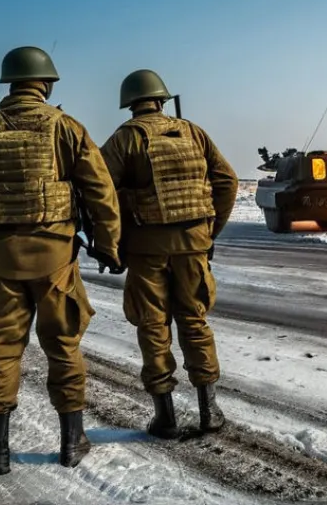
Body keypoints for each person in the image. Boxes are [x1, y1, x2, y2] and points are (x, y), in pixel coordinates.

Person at [0, 46, 122, 475]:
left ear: (9, 83)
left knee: (1, 348)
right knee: (64, 346)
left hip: (1, 258)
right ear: (48, 83)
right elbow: (100, 191)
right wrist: (110, 244)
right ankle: (72, 441)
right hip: (57, 256)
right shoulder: (66, 127)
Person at [99, 69, 238, 438]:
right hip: (194, 244)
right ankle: (209, 411)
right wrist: (208, 231)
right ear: (162, 99)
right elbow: (227, 181)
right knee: (194, 321)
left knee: (153, 326)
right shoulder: (193, 132)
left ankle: (165, 416)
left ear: (130, 103)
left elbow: (100, 194)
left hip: (146, 249)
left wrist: (111, 244)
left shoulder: (124, 139)